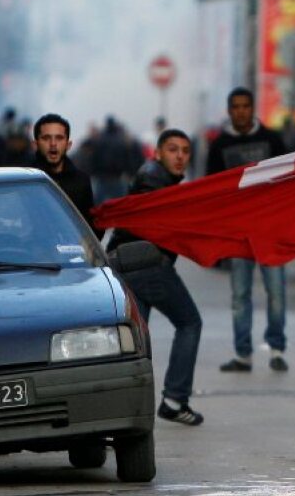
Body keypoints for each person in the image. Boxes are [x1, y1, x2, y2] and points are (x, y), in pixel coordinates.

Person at [108, 129, 204, 426]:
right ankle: (174, 399)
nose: (180, 156)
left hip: (128, 265)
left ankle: (118, 415)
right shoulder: (153, 179)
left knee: (136, 343)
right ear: (158, 153)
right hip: (148, 266)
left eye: (185, 151)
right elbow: (156, 212)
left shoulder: (161, 179)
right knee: (189, 323)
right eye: (173, 149)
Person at [206, 87, 290, 372]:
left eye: (245, 106)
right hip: (237, 233)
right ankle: (243, 354)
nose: (241, 111)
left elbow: (290, 181)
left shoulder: (272, 140)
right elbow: (210, 191)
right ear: (229, 111)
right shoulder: (219, 146)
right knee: (240, 295)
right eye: (236, 107)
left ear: (253, 109)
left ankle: (277, 348)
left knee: (276, 292)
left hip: (270, 230)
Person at [32, 113, 97, 230]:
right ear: (35, 144)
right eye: (46, 138)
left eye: (59, 138)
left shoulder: (81, 181)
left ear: (68, 145)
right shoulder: (25, 180)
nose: (53, 144)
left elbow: (90, 228)